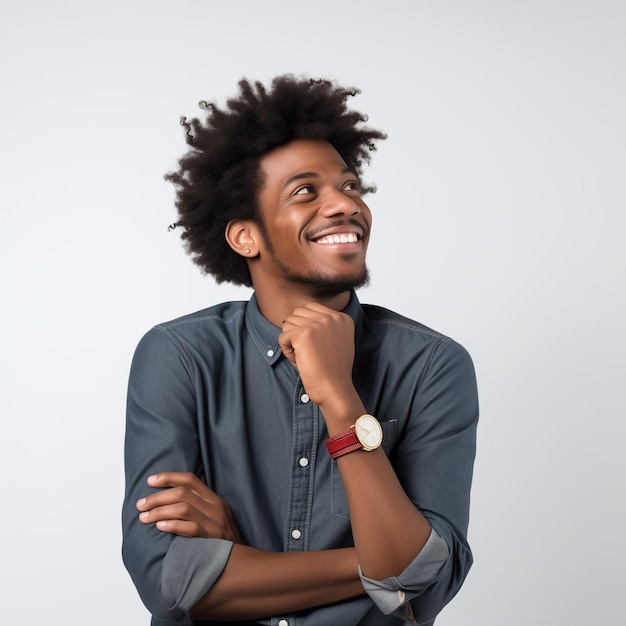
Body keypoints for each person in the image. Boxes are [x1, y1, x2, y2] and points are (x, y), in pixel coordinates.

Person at [122, 75, 479, 626]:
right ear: (247, 237)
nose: (346, 205)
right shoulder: (179, 356)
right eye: (306, 191)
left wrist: (339, 395)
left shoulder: (432, 366)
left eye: (351, 185)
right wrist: (386, 567)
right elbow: (170, 583)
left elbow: (431, 587)